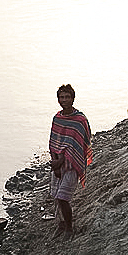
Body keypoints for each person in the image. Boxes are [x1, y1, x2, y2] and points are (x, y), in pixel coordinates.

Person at [49, 84, 92, 236]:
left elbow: (82, 142)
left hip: (72, 164)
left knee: (63, 198)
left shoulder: (80, 120)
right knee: (56, 196)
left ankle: (69, 227)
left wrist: (61, 161)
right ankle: (60, 224)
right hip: (57, 164)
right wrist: (55, 163)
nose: (64, 100)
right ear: (58, 99)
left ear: (73, 99)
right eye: (61, 97)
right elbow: (53, 142)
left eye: (67, 97)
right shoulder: (57, 118)